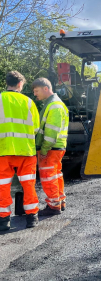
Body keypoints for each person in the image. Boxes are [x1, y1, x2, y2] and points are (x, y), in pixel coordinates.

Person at [0, 71, 40, 231]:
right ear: (20, 84)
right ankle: (32, 218)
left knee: (2, 186)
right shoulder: (29, 102)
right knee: (28, 184)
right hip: (26, 151)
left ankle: (4, 220)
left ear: (7, 83)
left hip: (3, 150)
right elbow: (36, 128)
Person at [32, 78, 69, 216]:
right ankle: (60, 202)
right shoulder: (54, 104)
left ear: (45, 88)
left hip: (51, 148)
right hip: (56, 147)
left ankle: (53, 206)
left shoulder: (54, 105)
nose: (35, 94)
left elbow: (51, 130)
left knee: (48, 176)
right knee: (56, 175)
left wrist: (44, 149)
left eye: (36, 91)